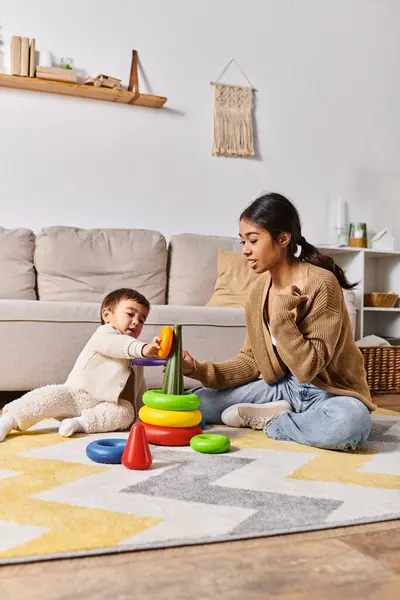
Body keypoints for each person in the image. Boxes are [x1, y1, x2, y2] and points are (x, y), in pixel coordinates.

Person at [181, 193, 375, 451]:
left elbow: (307, 370)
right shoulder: (258, 290)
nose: (245, 250)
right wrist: (197, 369)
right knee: (196, 404)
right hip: (281, 388)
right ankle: (284, 413)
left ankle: (277, 422)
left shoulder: (322, 283)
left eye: (252, 240)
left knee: (350, 424)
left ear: (282, 239)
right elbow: (251, 360)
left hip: (330, 392)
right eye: (242, 242)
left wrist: (282, 317)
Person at [0, 288, 161, 442]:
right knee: (50, 396)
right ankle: (10, 419)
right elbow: (117, 344)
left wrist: (143, 415)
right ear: (107, 315)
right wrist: (144, 348)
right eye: (130, 314)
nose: (136, 322)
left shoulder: (136, 353)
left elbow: (139, 388)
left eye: (141, 320)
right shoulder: (105, 334)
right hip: (77, 396)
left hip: (105, 406)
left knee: (126, 411)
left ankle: (81, 423)